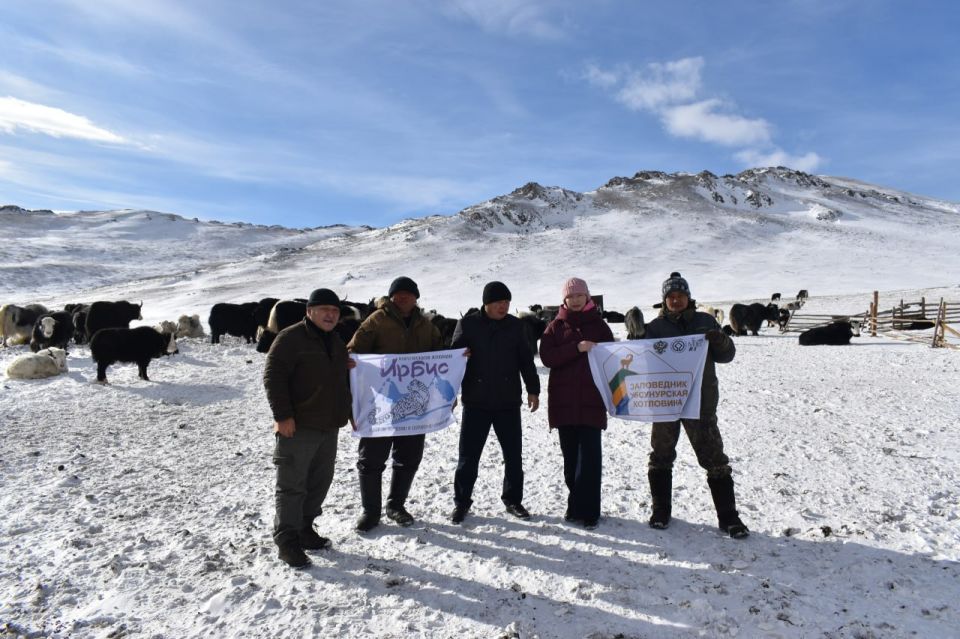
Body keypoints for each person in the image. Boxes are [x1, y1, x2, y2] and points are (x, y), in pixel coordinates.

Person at [644, 272, 749, 539]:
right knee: (661, 457)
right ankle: (661, 511)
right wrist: (636, 336)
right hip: (667, 402)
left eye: (680, 295)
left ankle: (729, 517)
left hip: (700, 403)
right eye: (671, 297)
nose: (676, 300)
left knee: (715, 459)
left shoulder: (705, 321)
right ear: (664, 300)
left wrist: (721, 341)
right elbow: (640, 361)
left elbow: (727, 356)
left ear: (688, 297)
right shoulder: (655, 328)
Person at [263, 288, 353, 568]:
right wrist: (282, 416)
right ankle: (287, 539)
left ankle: (304, 528)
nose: (330, 315)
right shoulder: (291, 338)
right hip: (298, 425)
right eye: (324, 309)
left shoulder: (336, 342)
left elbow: (339, 380)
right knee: (292, 484)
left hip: (328, 427)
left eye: (335, 311)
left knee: (319, 481)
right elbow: (273, 376)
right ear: (309, 312)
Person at [347, 276, 444, 532]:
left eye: (408, 294)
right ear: (391, 297)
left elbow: (440, 355)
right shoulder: (376, 320)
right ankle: (370, 511)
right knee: (371, 458)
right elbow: (354, 349)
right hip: (380, 401)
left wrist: (457, 358)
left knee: (409, 456)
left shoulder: (426, 325)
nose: (403, 298)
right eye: (398, 294)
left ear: (416, 297)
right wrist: (352, 361)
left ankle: (396, 505)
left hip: (415, 403)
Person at [449, 281, 541, 524]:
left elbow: (526, 360)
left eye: (507, 302)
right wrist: (450, 393)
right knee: (468, 457)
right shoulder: (467, 325)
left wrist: (533, 389)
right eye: (499, 302)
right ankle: (461, 502)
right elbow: (452, 361)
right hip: (476, 402)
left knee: (513, 456)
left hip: (507, 401)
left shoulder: (515, 326)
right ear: (487, 303)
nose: (504, 306)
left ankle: (513, 500)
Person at [538, 277, 614, 529]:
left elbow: (611, 358)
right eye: (572, 297)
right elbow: (547, 357)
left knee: (590, 460)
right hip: (564, 403)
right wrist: (577, 348)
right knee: (571, 461)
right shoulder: (555, 327)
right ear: (565, 300)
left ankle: (589, 511)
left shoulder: (600, 327)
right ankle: (575, 505)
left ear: (588, 297)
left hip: (592, 401)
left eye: (580, 295)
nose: (576, 300)